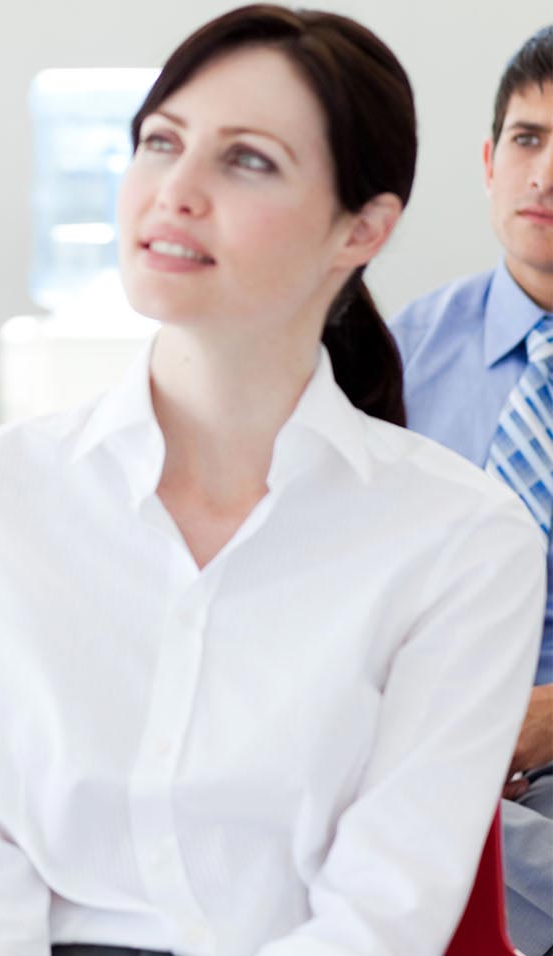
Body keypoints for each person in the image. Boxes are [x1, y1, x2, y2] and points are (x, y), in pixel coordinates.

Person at [0, 7, 546, 955]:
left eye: (248, 160)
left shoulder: (460, 541)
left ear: (362, 228)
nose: (176, 191)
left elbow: (383, 915)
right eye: (160, 143)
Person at [389, 27, 553, 955]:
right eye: (528, 139)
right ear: (490, 163)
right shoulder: (395, 360)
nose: (546, 175)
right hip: (434, 752)